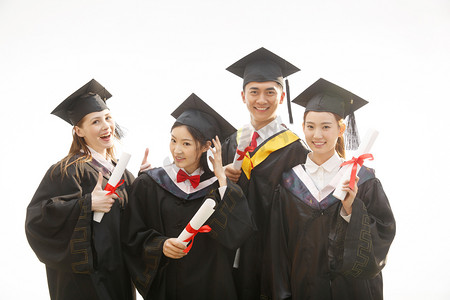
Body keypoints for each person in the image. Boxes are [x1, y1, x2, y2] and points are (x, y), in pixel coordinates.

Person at [261, 78, 396, 300]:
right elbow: (279, 251)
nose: (317, 135)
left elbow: (383, 234)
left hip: (352, 292)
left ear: (341, 129)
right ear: (302, 127)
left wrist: (352, 209)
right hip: (303, 291)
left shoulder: (363, 180)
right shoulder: (288, 184)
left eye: (326, 127)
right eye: (311, 126)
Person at [122, 93, 256, 300]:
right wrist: (160, 245)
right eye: (174, 140)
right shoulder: (149, 183)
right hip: (167, 289)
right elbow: (131, 235)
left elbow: (238, 234)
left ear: (205, 147)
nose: (177, 150)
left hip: (210, 288)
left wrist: (221, 179)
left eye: (186, 143)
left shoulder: (219, 188)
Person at [25, 79, 135, 300]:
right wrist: (87, 204)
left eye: (108, 118)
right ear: (79, 131)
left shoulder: (124, 174)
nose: (106, 126)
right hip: (84, 285)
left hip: (119, 281)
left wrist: (145, 184)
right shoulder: (67, 171)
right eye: (95, 121)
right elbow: (38, 221)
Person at [221, 47, 309, 300]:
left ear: (282, 97)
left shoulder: (295, 149)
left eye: (270, 92)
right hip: (228, 257)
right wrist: (221, 178)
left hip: (272, 259)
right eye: (254, 92)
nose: (262, 100)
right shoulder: (230, 143)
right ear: (242, 96)